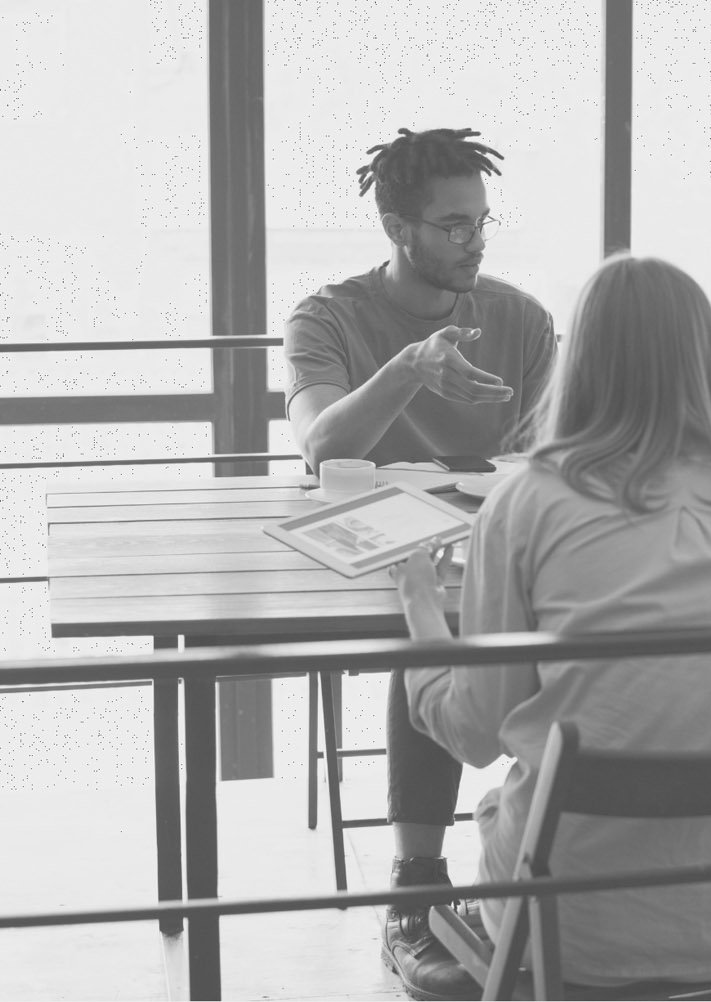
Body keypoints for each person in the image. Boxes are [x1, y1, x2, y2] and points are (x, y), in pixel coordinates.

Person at [391, 255, 711, 990]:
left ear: (581, 358)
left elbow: (474, 733)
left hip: (572, 908)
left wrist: (418, 608)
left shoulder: (528, 497)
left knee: (481, 758)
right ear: (703, 353)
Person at [283, 127, 556, 1000]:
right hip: (372, 551)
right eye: (452, 225)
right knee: (423, 622)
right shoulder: (328, 318)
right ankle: (417, 885)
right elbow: (324, 446)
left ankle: (552, 840)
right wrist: (409, 369)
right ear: (399, 229)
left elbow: (556, 458)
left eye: (481, 221)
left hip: (494, 545)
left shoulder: (519, 317)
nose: (475, 240)